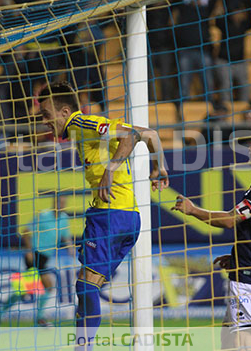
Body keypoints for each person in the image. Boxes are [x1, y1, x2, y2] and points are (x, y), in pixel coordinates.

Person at [38, 81, 169, 350]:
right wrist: (159, 166)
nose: (45, 122)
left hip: (109, 214)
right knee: (88, 287)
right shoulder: (83, 133)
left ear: (64, 112)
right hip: (129, 219)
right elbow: (151, 134)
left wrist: (110, 169)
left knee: (85, 288)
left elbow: (130, 136)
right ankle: (83, 344)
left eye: (46, 116)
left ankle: (83, 346)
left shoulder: (80, 123)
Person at [172, 125, 251, 351]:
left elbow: (230, 219)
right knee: (228, 340)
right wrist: (238, 254)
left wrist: (192, 210)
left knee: (242, 343)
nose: (250, 147)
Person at [0, 196, 72, 327]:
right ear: (53, 202)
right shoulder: (43, 215)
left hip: (45, 256)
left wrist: (71, 248)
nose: (61, 204)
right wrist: (28, 250)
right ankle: (40, 318)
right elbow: (26, 231)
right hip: (34, 254)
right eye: (59, 202)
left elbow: (65, 236)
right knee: (48, 285)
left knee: (24, 290)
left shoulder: (64, 218)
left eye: (63, 202)